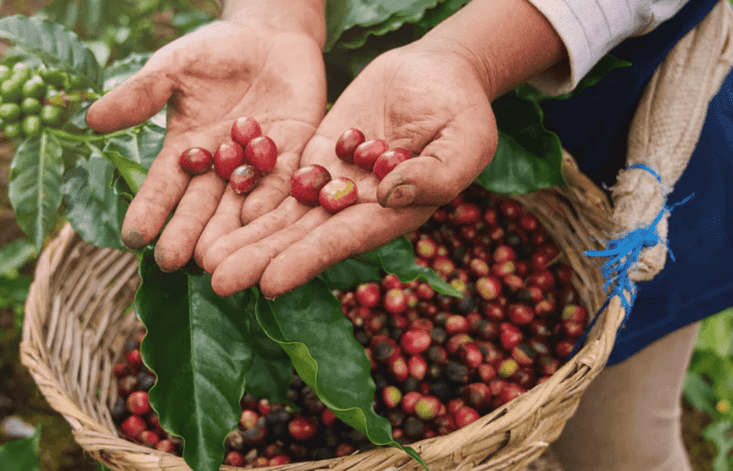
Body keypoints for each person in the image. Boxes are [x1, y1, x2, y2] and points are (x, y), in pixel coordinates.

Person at [85, 0, 733, 469]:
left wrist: (473, 54)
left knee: (623, 441)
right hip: (359, 84)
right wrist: (276, 16)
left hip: (616, 107)